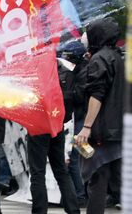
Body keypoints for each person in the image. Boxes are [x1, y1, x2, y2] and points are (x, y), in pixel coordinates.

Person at [75, 17, 124, 214]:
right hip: (118, 130)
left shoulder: (99, 59)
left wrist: (86, 127)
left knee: (97, 178)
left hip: (100, 131)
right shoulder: (117, 56)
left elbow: (97, 95)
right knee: (119, 180)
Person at [26, 52, 80, 213]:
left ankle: (39, 211)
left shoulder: (35, 72)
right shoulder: (65, 71)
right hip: (57, 125)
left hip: (38, 126)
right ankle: (73, 209)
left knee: (37, 172)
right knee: (61, 171)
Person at [58, 39, 89, 205]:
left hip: (80, 121)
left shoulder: (83, 73)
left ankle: (79, 194)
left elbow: (79, 97)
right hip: (78, 120)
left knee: (74, 158)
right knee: (80, 157)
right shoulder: (78, 71)